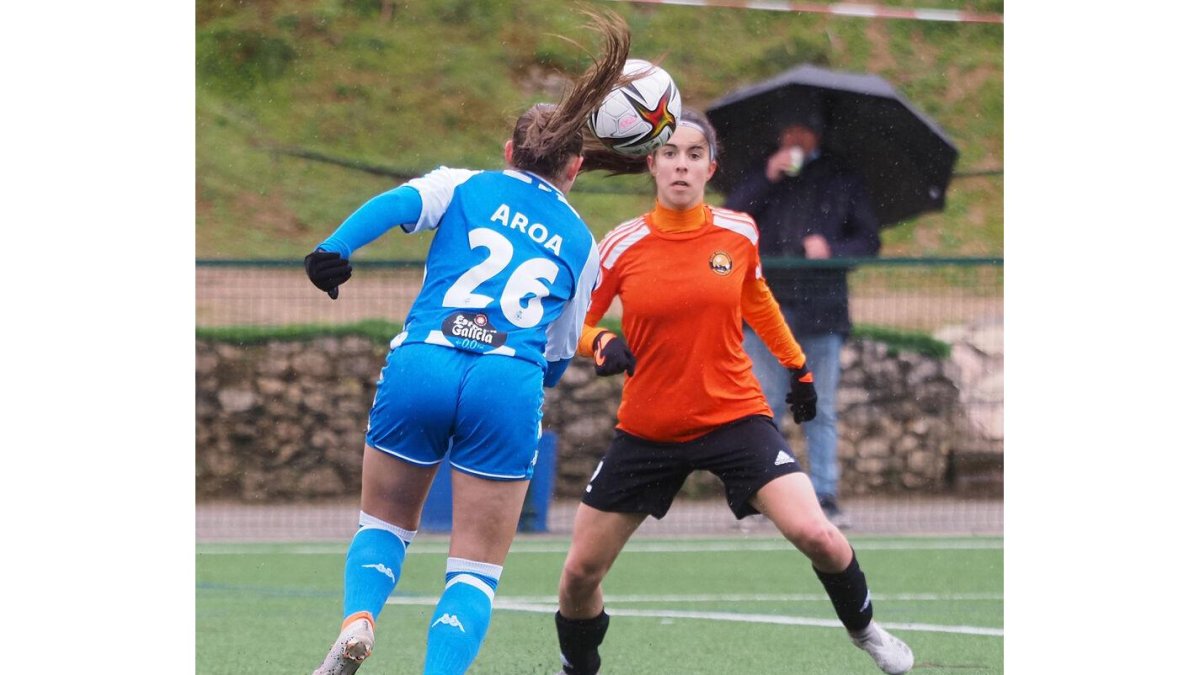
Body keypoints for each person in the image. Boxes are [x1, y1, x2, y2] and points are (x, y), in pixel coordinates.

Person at [303, 11, 634, 675]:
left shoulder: (463, 183)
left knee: (385, 524)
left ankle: (359, 620)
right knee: (475, 567)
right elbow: (558, 350)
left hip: (423, 357)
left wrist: (334, 249)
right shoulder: (582, 242)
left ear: (509, 151)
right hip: (506, 377)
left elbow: (397, 204)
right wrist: (515, 389)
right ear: (575, 166)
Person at [553, 109, 913, 675]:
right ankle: (580, 669)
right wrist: (600, 344)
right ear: (651, 163)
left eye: (694, 155)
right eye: (670, 153)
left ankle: (866, 629)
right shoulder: (621, 244)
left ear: (710, 167)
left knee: (816, 532)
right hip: (649, 430)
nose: (681, 164)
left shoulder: (738, 232)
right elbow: (574, 323)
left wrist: (799, 368)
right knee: (578, 575)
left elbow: (758, 301)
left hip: (734, 417)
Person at [723, 110, 882, 528]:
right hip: (766, 308)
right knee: (763, 406)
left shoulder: (841, 176)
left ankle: (825, 496)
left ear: (817, 135)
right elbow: (728, 219)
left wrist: (831, 249)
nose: (793, 137)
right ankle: (764, 494)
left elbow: (868, 239)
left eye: (803, 130)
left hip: (823, 311)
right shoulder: (762, 173)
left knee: (821, 407)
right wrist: (767, 177)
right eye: (787, 129)